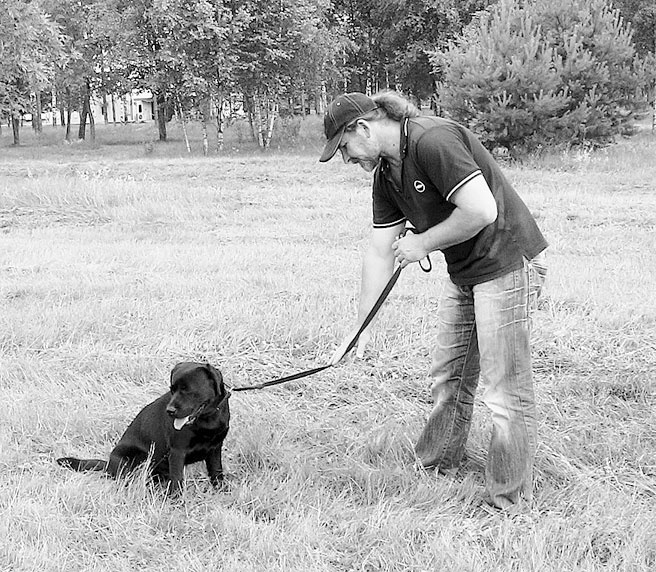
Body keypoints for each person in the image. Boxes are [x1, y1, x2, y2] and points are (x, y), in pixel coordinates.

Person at [319, 91, 548, 509]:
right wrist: (361, 327)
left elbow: (481, 210)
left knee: (503, 389)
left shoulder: (431, 140)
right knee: (449, 375)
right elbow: (379, 250)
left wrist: (422, 243)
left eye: (345, 147)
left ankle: (509, 498)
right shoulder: (386, 174)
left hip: (508, 261)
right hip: (467, 272)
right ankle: (438, 463)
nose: (347, 159)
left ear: (364, 128)